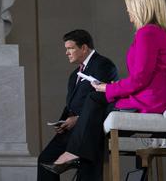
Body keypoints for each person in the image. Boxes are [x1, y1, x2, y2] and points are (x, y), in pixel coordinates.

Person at [43, 0, 166, 178]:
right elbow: (145, 76)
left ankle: (74, 155)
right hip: (150, 95)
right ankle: (78, 159)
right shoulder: (158, 33)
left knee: (95, 98)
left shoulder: (147, 33)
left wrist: (108, 88)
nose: (128, 11)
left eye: (130, 6)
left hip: (150, 100)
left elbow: (140, 79)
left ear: (141, 6)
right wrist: (113, 88)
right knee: (96, 103)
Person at [37, 30, 118, 181]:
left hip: (91, 128)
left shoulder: (103, 65)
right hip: (70, 129)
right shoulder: (74, 74)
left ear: (84, 48)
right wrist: (62, 122)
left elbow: (102, 99)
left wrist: (79, 119)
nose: (67, 52)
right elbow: (71, 104)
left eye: (70, 48)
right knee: (45, 160)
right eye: (66, 49)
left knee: (87, 171)